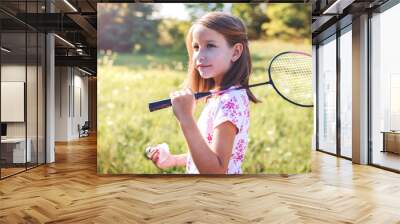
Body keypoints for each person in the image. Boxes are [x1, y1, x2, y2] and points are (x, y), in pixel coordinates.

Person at [148, 12, 259, 174]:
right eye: (196, 47)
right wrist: (174, 159)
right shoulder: (219, 95)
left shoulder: (229, 101)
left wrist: (185, 118)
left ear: (235, 52)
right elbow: (210, 153)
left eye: (210, 46)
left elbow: (216, 170)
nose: (199, 56)